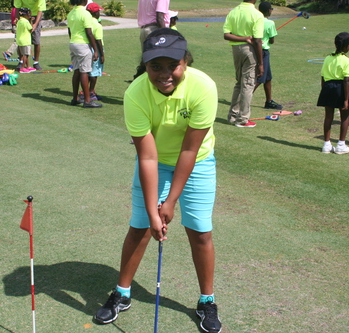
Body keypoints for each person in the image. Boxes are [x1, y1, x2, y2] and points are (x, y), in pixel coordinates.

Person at [94, 28, 222, 333]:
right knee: (140, 227)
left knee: (200, 232)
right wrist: (154, 211)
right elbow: (148, 157)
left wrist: (171, 202)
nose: (165, 74)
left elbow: (190, 150)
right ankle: (122, 293)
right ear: (146, 66)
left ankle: (207, 300)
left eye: (172, 65)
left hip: (198, 161)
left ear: (186, 62)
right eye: (155, 66)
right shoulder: (135, 94)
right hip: (155, 162)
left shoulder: (203, 87)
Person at [223, 0, 264, 128]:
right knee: (248, 84)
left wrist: (242, 38)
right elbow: (257, 40)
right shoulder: (257, 14)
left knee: (239, 82)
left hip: (236, 50)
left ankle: (233, 116)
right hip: (249, 50)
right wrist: (261, 63)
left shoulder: (233, 11)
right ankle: (242, 119)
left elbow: (227, 35)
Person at [317, 32, 349, 154]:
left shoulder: (328, 58)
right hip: (340, 88)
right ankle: (341, 144)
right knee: (345, 116)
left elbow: (323, 77)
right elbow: (346, 80)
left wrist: (324, 91)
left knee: (328, 116)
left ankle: (326, 144)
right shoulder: (347, 61)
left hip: (328, 87)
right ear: (346, 46)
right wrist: (346, 99)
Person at [67, 0, 102, 108]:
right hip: (83, 45)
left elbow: (70, 31)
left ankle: (75, 98)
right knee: (84, 72)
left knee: (77, 71)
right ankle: (87, 100)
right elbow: (89, 33)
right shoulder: (85, 14)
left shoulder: (71, 12)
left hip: (73, 43)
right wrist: (95, 50)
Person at [253, 2, 282, 110]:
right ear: (269, 10)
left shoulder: (256, 20)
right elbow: (272, 40)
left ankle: (269, 101)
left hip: (255, 50)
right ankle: (243, 100)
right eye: (271, 9)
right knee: (260, 78)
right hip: (263, 52)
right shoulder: (270, 23)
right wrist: (270, 36)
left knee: (268, 78)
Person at [14, 0, 46, 71]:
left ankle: (36, 62)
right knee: (20, 41)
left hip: (34, 16)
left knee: (36, 41)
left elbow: (40, 10)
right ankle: (21, 62)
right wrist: (17, 19)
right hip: (23, 15)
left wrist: (35, 24)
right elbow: (17, 7)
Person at [87, 2, 104, 101]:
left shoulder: (88, 22)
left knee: (89, 71)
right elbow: (98, 40)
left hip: (88, 48)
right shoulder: (97, 25)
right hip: (96, 49)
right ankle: (91, 91)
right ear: (95, 12)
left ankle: (88, 90)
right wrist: (102, 55)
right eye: (98, 11)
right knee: (95, 72)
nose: (99, 13)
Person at [16, 7, 34, 73]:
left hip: (20, 40)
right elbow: (31, 29)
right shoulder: (26, 22)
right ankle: (22, 68)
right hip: (25, 41)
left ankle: (28, 66)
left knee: (25, 54)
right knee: (25, 55)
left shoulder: (19, 21)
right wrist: (31, 21)